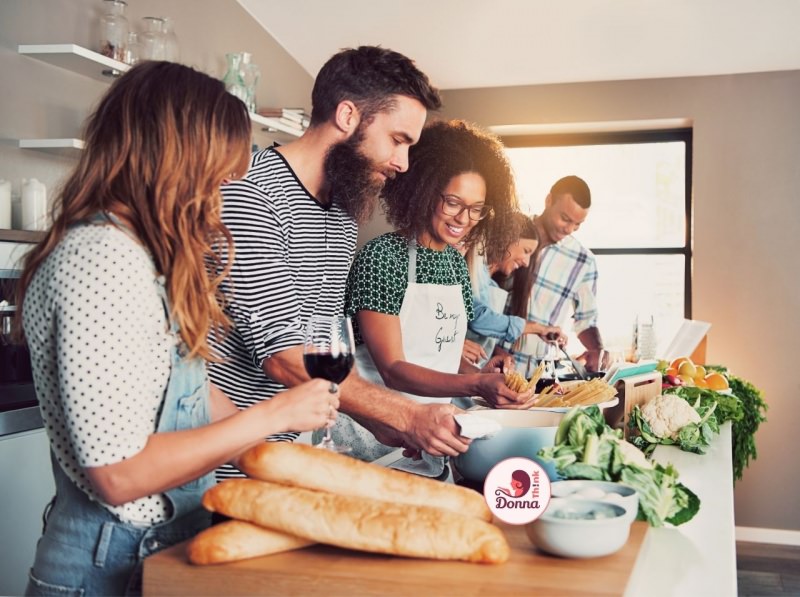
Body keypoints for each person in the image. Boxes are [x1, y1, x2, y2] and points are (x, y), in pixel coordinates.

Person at [14, 62, 338, 596]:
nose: (231, 183)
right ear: (175, 156)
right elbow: (117, 475)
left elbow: (190, 389)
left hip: (163, 550)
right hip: (105, 567)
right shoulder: (100, 260)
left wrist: (290, 468)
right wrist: (272, 414)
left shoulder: (141, 257)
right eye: (222, 168)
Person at [208, 46, 470, 475]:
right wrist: (405, 415)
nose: (403, 163)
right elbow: (286, 355)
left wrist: (378, 420)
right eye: (398, 140)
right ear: (348, 116)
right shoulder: (251, 196)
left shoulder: (342, 213)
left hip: (282, 458)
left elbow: (322, 349)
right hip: (216, 465)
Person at [339, 119, 531, 464]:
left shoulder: (456, 266)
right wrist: (474, 385)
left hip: (432, 431)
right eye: (454, 202)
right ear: (424, 191)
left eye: (477, 208)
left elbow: (443, 353)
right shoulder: (384, 258)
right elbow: (393, 369)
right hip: (374, 433)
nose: (465, 218)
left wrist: (488, 377)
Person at [512, 175, 605, 371]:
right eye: (565, 219)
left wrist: (598, 350)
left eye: (578, 224)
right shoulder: (510, 232)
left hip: (535, 373)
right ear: (548, 200)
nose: (569, 229)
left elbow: (586, 321)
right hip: (485, 361)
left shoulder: (583, 261)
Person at [464, 211, 566, 364]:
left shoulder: (491, 284)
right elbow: (478, 318)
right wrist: (538, 328)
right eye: (526, 251)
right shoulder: (471, 269)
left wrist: (496, 353)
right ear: (506, 239)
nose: (526, 262)